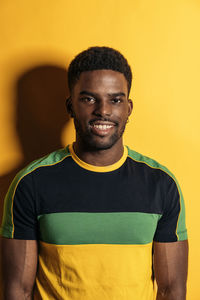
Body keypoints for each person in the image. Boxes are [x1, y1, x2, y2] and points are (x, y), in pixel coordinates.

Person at [0, 46, 188, 300]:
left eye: (115, 99)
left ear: (129, 108)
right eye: (89, 99)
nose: (103, 110)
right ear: (70, 106)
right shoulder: (31, 183)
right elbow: (18, 291)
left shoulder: (160, 184)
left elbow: (171, 290)